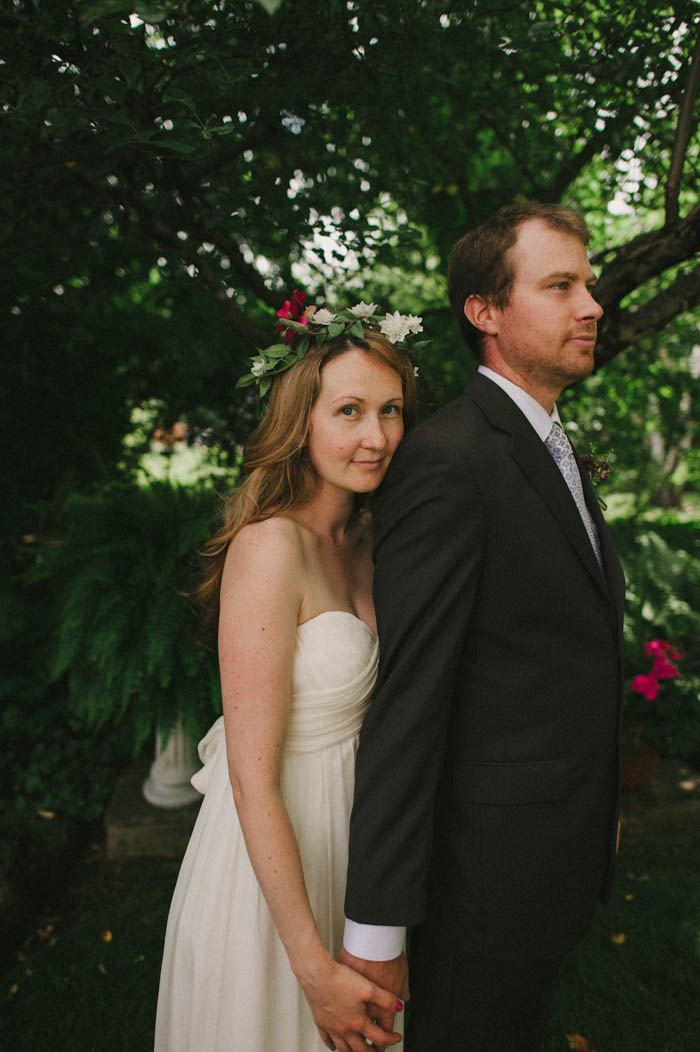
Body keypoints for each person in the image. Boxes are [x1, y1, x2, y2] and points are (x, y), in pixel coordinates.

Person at [331, 202, 626, 1052]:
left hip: (547, 860)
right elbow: (410, 699)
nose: (593, 305)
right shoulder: (449, 462)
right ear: (484, 312)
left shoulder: (544, 442)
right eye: (562, 285)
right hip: (482, 888)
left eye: (591, 284)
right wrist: (378, 930)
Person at [154, 298, 423, 1052]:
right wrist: (309, 964)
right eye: (348, 411)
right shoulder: (271, 548)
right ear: (300, 420)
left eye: (391, 410)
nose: (376, 437)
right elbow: (251, 776)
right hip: (276, 865)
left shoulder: (370, 540)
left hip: (360, 854)